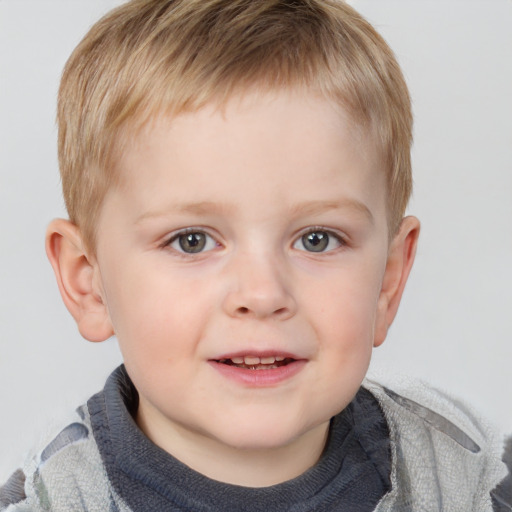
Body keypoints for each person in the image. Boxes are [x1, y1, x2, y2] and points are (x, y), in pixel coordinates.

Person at [0, 0, 510, 510]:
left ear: (388, 279)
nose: (263, 294)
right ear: (88, 281)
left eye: (317, 239)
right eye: (191, 240)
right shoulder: (55, 500)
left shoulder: (471, 479)